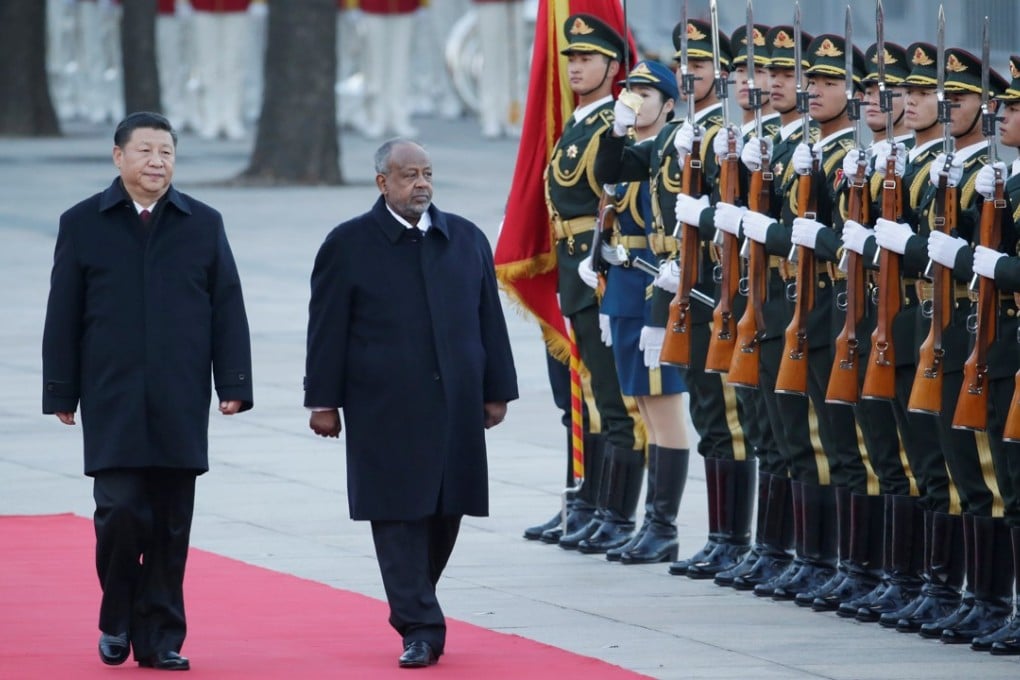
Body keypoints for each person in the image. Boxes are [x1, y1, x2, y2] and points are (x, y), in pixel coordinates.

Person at [42, 111, 254, 671]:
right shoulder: (83, 222)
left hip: (179, 398)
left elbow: (227, 308)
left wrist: (232, 382)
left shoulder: (202, 223)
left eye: (166, 152)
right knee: (118, 513)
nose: (157, 162)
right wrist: (61, 389)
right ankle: (117, 616)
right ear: (118, 157)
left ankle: (161, 637)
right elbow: (62, 313)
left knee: (169, 521)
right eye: (145, 151)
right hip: (111, 398)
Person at [304, 139, 518, 668]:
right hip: (384, 407)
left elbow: (489, 318)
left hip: (456, 404)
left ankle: (416, 600)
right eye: (408, 175)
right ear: (382, 183)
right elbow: (326, 330)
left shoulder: (465, 238)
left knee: (446, 512)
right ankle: (421, 625)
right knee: (398, 514)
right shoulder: (348, 244)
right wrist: (323, 401)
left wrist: (497, 389)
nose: (420, 184)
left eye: (426, 173)